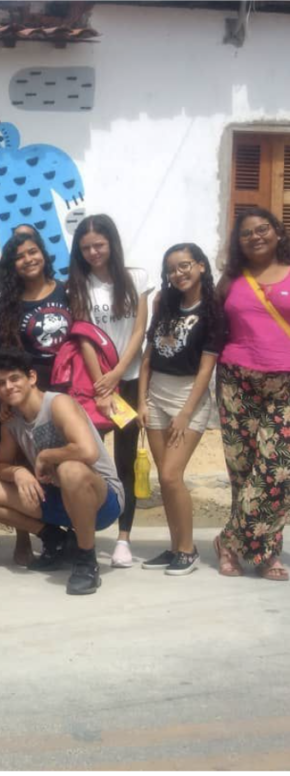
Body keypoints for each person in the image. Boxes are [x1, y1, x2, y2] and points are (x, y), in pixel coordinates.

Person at [0, 348, 124, 595]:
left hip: (101, 500)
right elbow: (0, 465)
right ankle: (56, 540)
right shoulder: (11, 421)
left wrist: (46, 456)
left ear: (31, 377)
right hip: (57, 498)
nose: (8, 387)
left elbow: (88, 451)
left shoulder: (57, 403)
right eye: (1, 383)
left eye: (14, 379)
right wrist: (18, 473)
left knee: (70, 470)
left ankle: (86, 560)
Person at [68, 214, 152, 568]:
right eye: (86, 247)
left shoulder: (137, 278)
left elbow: (139, 331)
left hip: (128, 382)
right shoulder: (78, 283)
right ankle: (82, 534)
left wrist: (118, 372)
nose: (93, 253)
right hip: (96, 385)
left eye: (99, 245)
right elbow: (84, 335)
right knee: (88, 458)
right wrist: (101, 381)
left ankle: (123, 539)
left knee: (125, 460)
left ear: (111, 244)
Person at [214, 207, 290, 581]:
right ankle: (266, 554)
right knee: (244, 471)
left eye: (263, 229)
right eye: (247, 233)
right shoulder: (230, 280)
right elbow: (212, 327)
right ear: (238, 242)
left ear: (277, 232)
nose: (256, 237)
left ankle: (229, 541)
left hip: (286, 383)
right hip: (236, 380)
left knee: (279, 470)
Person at [136, 244, 220, 576]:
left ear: (200, 266)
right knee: (166, 478)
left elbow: (206, 368)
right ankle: (175, 548)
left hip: (190, 396)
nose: (178, 273)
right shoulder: (165, 303)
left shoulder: (213, 309)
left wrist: (186, 412)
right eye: (171, 269)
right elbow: (147, 356)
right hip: (156, 393)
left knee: (172, 476)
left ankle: (187, 550)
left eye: (185, 266)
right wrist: (142, 401)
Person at [0, 231, 71, 391]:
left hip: (72, 382)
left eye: (33, 252)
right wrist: (3, 395)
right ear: (12, 265)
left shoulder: (67, 291)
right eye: (19, 257)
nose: (28, 260)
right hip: (31, 390)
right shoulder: (4, 306)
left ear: (43, 254)